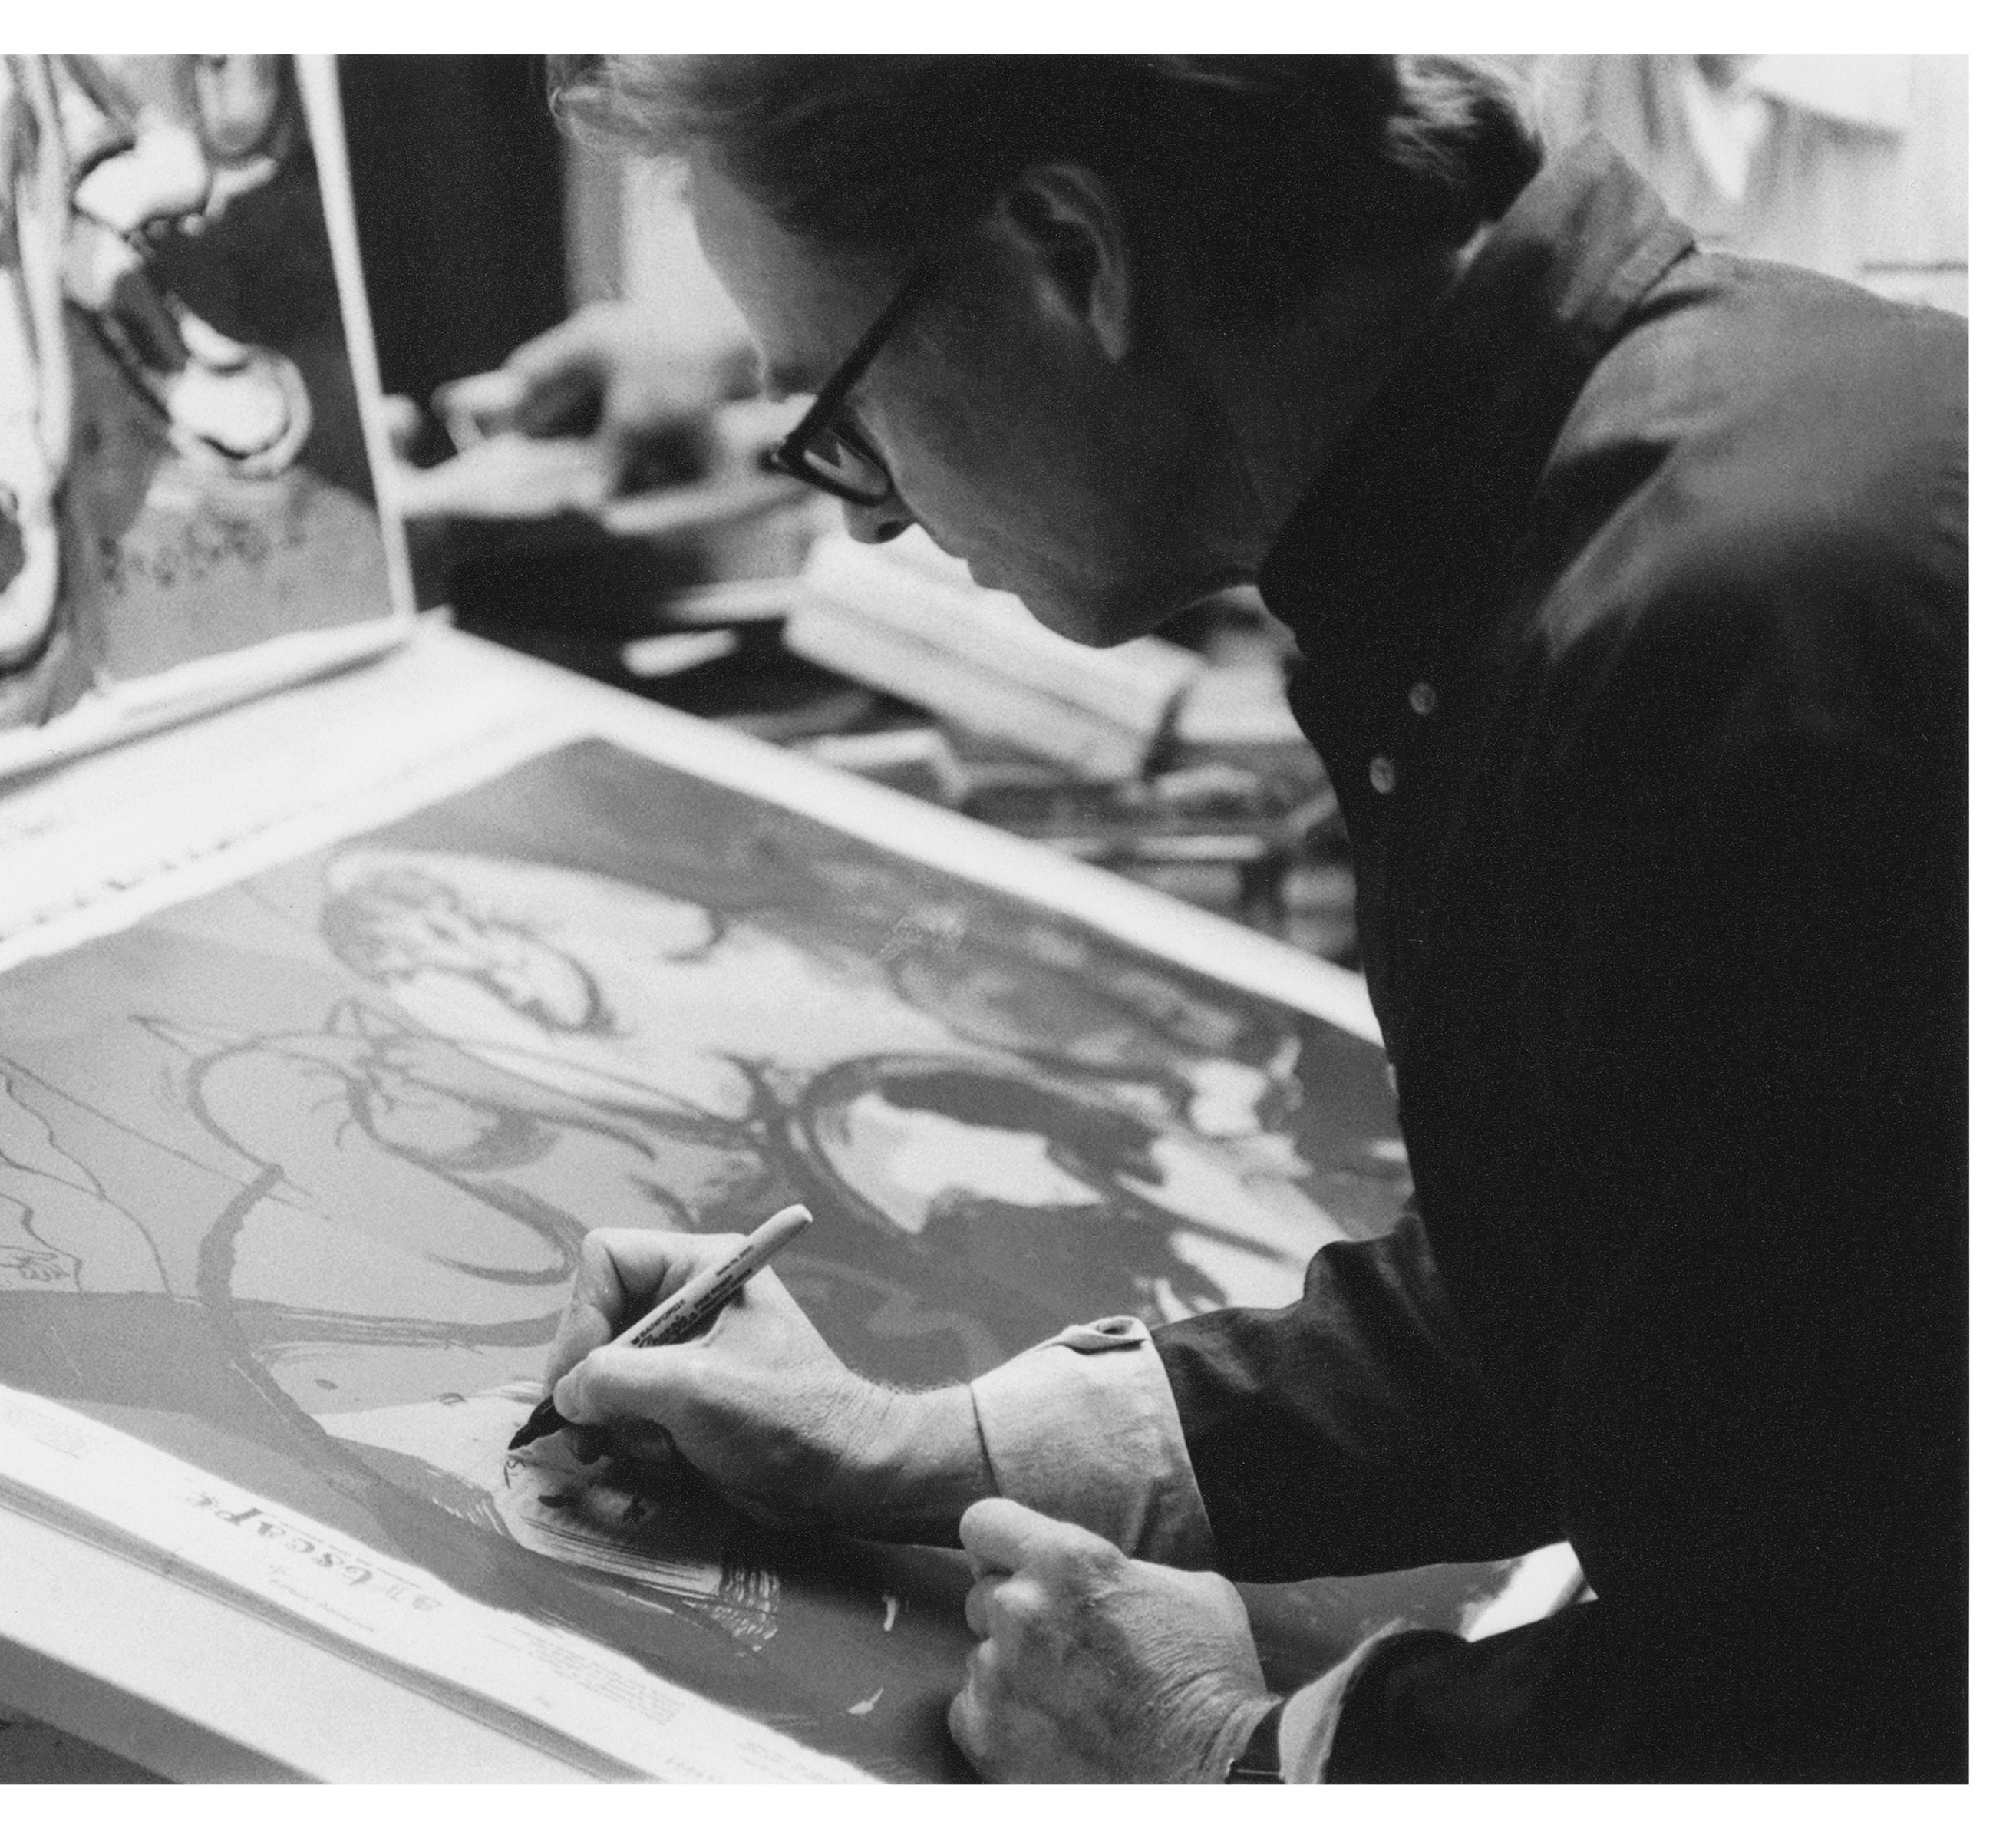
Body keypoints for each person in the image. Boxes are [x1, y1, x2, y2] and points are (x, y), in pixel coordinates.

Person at [527, 57, 1965, 1782]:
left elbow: (1823, 1696)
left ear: (1072, 252)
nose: (874, 505)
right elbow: (1643, 1293)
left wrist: (1232, 1753)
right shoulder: (1630, 467)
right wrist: (923, 1445)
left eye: (843, 405)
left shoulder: (1727, 643)